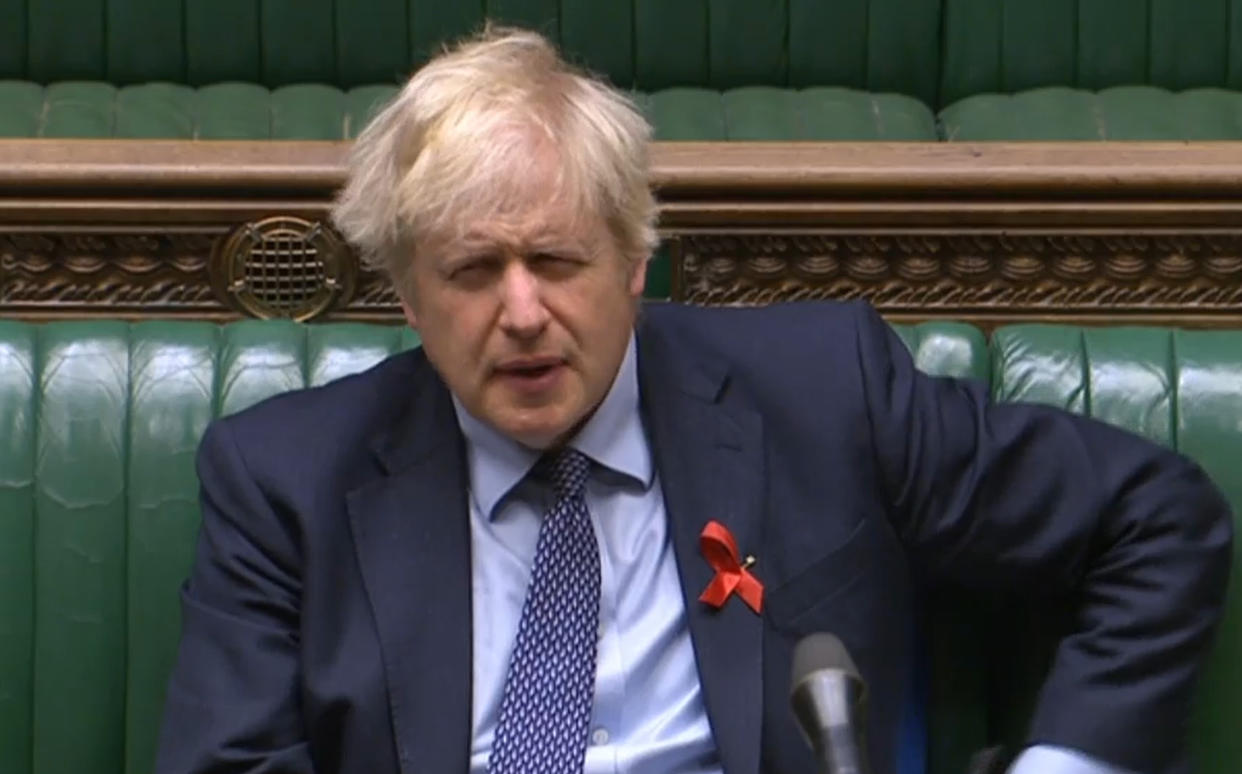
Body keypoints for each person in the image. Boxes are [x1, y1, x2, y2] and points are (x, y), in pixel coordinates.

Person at [155, 26, 1232, 774]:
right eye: (473, 272)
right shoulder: (286, 480)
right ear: (408, 295)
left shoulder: (825, 394)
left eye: (557, 261)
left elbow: (1157, 518)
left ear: (635, 261)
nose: (522, 313)